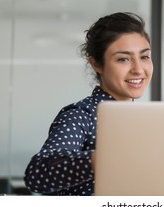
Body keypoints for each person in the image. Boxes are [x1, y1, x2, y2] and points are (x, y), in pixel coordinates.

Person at [24, 12, 153, 195]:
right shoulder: (81, 116)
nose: (138, 69)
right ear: (97, 64)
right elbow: (38, 174)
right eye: (123, 59)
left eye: (145, 57)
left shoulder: (150, 122)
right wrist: (100, 160)